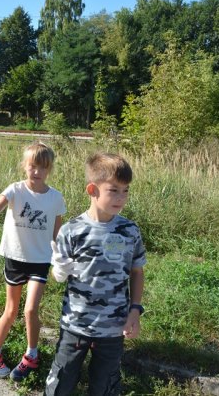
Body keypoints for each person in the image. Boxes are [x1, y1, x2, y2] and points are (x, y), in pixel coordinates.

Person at [0, 142, 66, 382]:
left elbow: (57, 233)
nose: (37, 172)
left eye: (43, 168)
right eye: (33, 166)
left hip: (40, 260)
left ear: (50, 170)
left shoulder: (56, 198)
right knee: (11, 309)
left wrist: (61, 256)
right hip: (15, 258)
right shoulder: (15, 190)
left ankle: (32, 355)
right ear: (24, 166)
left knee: (30, 309)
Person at [44, 153, 146, 396]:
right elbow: (58, 276)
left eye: (126, 190)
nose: (121, 197)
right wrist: (59, 269)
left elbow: (137, 271)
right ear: (93, 189)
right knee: (61, 381)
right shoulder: (72, 230)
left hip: (114, 326)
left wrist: (135, 311)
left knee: (105, 386)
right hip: (75, 324)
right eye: (113, 190)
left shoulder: (129, 231)